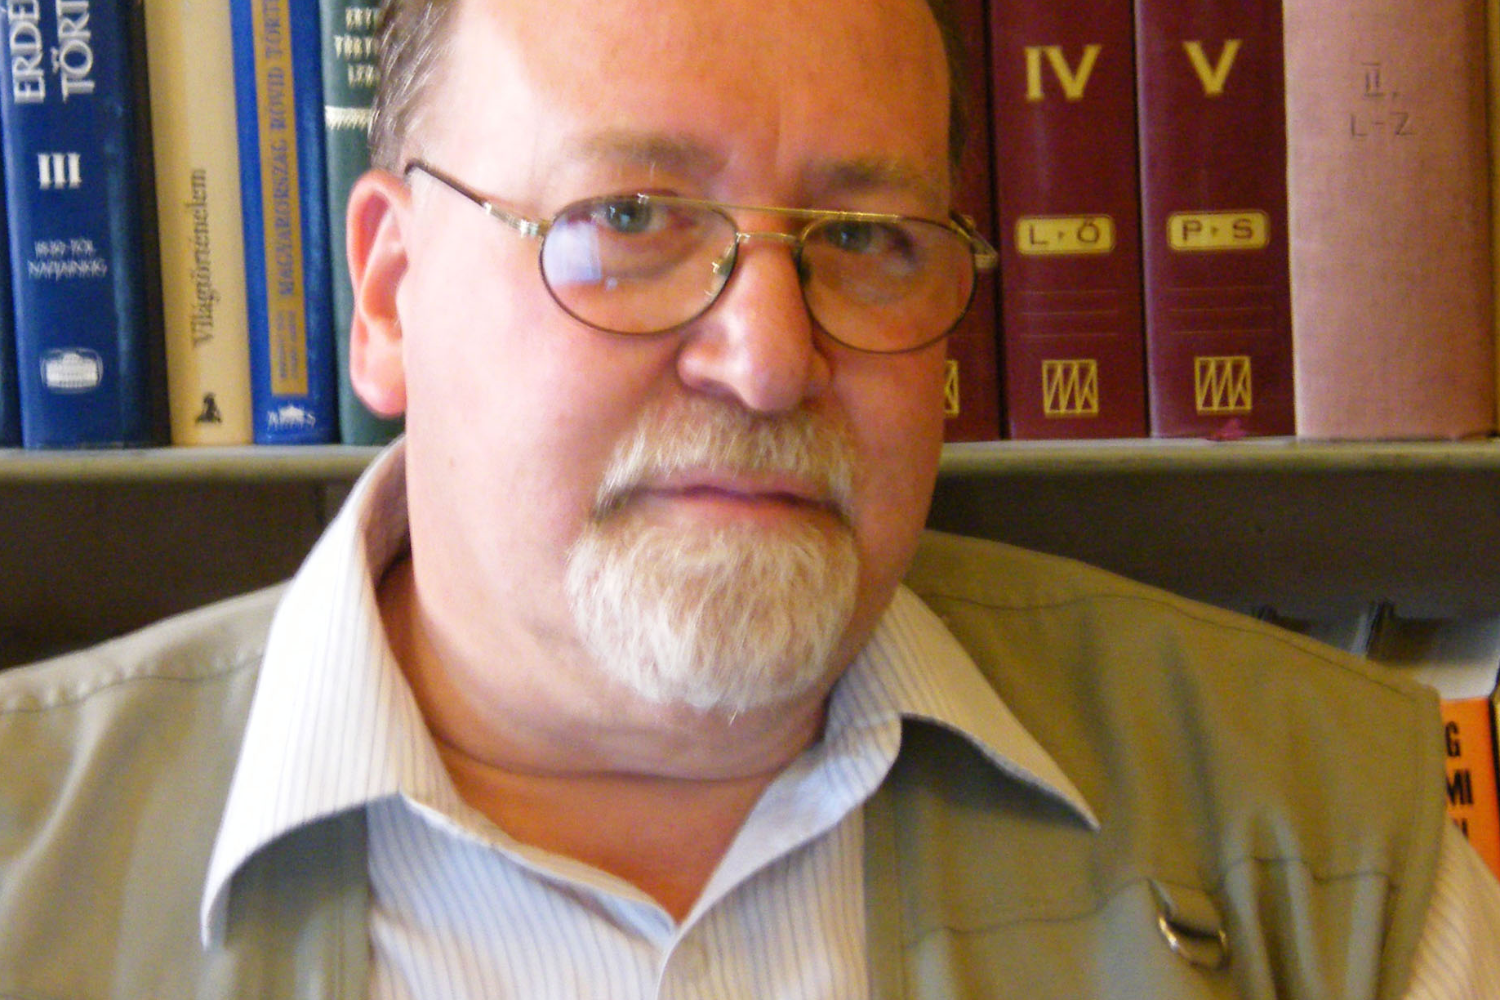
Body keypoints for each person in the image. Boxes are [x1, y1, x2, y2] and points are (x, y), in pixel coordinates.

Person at [2, 0, 1498, 995]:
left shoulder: (1331, 839)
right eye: (629, 218)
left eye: (868, 238)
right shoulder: (27, 867)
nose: (772, 359)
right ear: (391, 298)